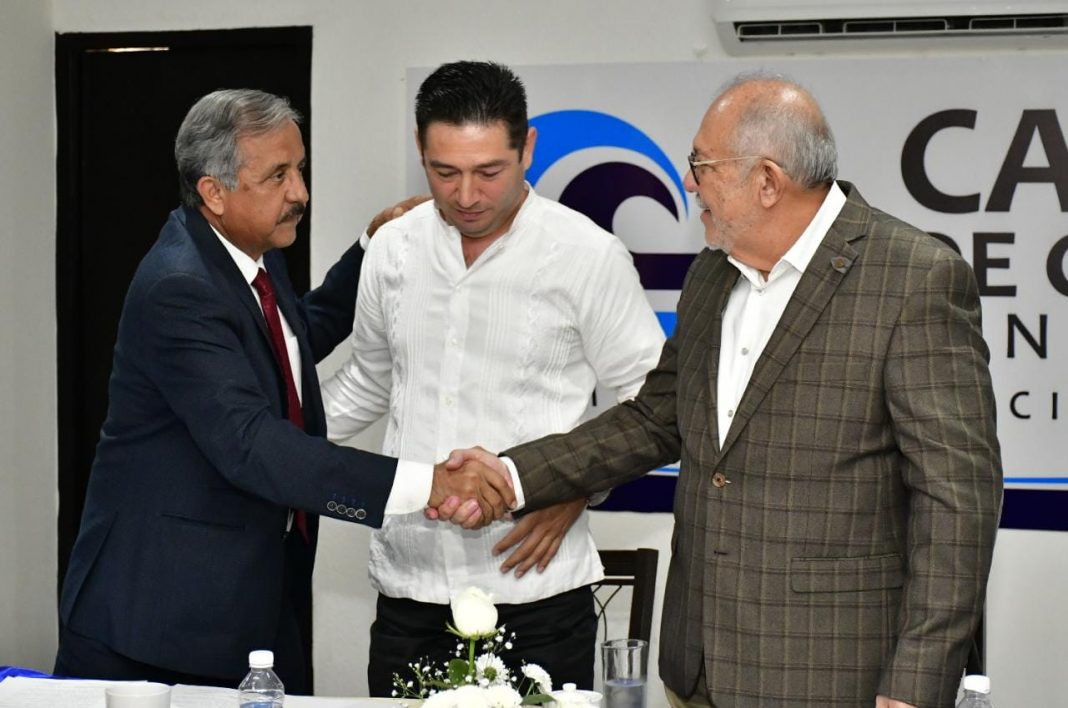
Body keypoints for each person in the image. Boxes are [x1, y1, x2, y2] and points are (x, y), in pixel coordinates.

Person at [448, 72, 1003, 708]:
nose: (689, 184)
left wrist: (917, 681)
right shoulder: (713, 273)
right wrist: (512, 475)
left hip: (834, 676)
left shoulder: (914, 279)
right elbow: (655, 418)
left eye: (701, 166)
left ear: (767, 181)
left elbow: (957, 499)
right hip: (698, 669)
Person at [53, 89, 513, 694]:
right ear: (215, 192)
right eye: (278, 176)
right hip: (158, 620)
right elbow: (253, 445)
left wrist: (369, 249)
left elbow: (291, 338)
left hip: (249, 599)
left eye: (300, 169)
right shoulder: (180, 288)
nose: (300, 192)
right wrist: (428, 483)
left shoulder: (248, 252)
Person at [320, 61, 665, 694]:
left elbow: (648, 403)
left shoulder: (587, 255)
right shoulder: (392, 248)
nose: (466, 195)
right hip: (410, 586)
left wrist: (575, 489)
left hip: (537, 591)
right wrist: (266, 442)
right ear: (420, 150)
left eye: (488, 171)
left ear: (526, 148)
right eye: (444, 171)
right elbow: (369, 381)